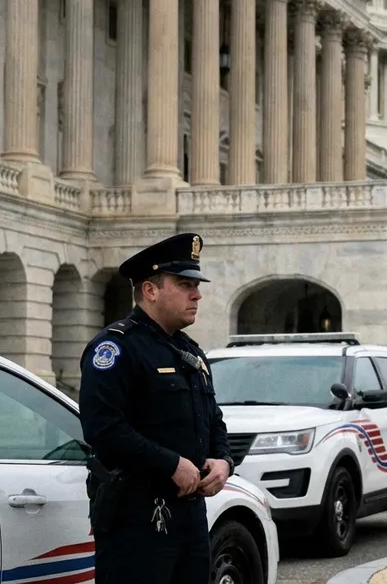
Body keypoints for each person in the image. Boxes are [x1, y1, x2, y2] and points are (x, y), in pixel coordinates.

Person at [79, 232, 235, 583]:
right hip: (136, 516)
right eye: (184, 284)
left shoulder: (191, 352)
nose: (197, 294)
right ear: (150, 290)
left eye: (196, 285)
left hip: (189, 513)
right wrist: (170, 463)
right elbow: (103, 429)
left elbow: (213, 420)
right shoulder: (117, 348)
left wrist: (223, 460)